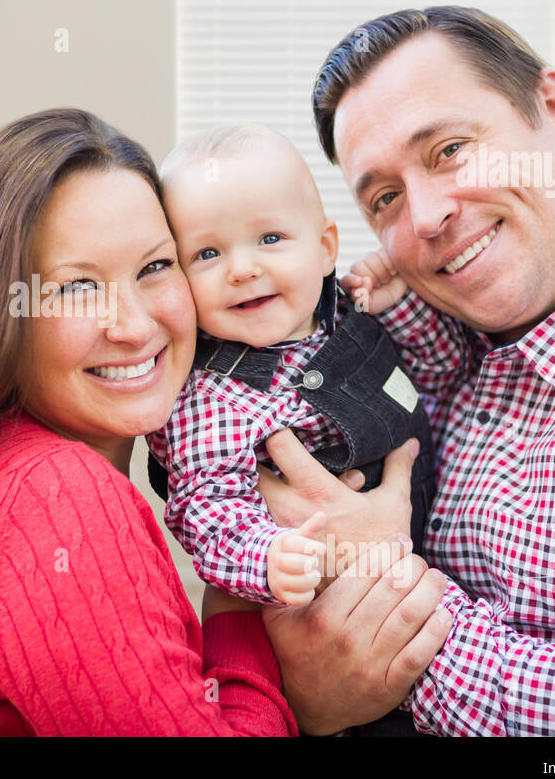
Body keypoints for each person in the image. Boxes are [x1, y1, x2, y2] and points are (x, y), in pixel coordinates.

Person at [0, 107, 451, 736]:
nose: (136, 326)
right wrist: (269, 658)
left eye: (154, 267)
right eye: (77, 286)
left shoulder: (2, 462)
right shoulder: (62, 503)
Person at [260, 5, 555, 735]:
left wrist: (383, 609)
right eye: (385, 197)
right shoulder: (423, 340)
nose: (429, 216)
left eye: (448, 150)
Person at [144, 122, 440, 607]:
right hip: (329, 601)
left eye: (270, 237)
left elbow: (439, 373)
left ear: (325, 249)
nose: (242, 269)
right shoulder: (210, 396)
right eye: (208, 253)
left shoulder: (349, 312)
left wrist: (398, 303)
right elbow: (207, 508)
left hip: (436, 560)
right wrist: (268, 555)